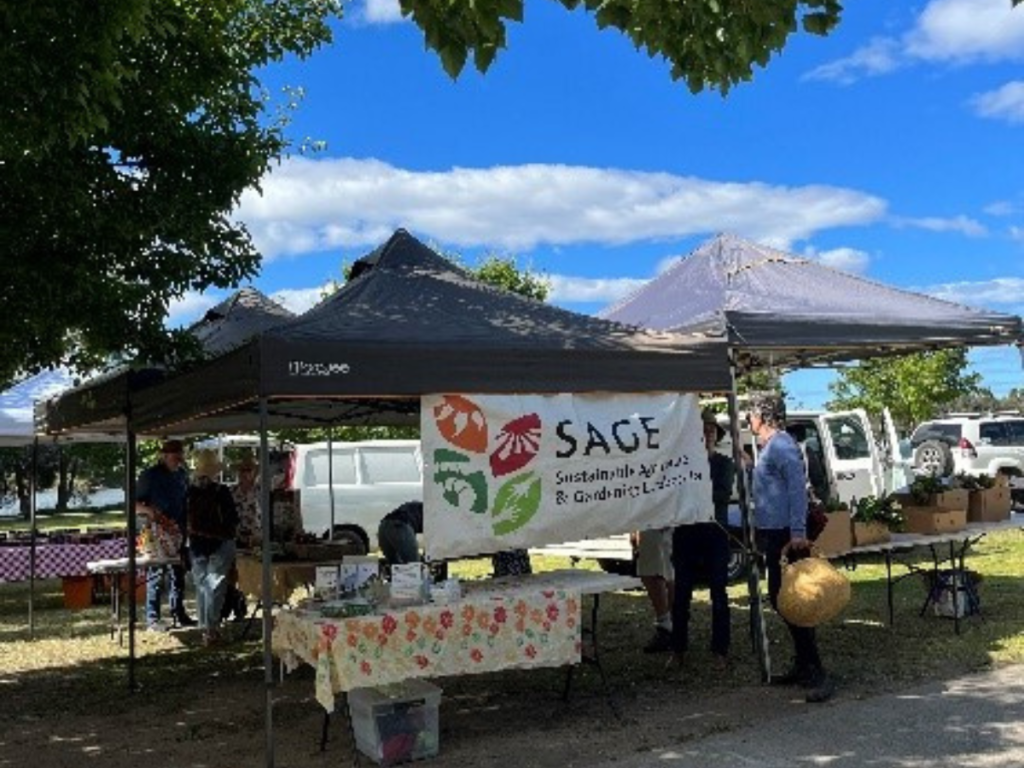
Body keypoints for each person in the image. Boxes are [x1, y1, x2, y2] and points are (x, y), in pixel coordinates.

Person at [748, 393, 835, 703]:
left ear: (762, 417)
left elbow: (797, 490)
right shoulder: (770, 448)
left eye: (751, 415)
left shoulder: (781, 445)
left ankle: (817, 672)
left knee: (797, 602)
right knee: (784, 600)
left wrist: (798, 531)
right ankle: (803, 665)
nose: (749, 420)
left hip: (787, 534)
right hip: (774, 533)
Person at [668, 409, 735, 670]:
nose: (707, 435)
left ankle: (720, 650)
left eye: (711, 431)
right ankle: (678, 649)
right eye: (702, 430)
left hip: (714, 532)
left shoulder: (723, 463)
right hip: (686, 532)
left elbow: (721, 494)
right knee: (681, 594)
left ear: (716, 436)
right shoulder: (682, 464)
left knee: (719, 593)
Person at [136, 439, 195, 631]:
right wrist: (152, 513)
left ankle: (179, 613)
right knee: (156, 574)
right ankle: (153, 618)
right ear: (163, 455)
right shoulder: (149, 476)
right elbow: (134, 504)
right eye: (173, 454)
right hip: (155, 532)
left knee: (178, 575)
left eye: (180, 454)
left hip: (179, 532)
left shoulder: (182, 475)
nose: (177, 458)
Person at [186, 449, 239, 646]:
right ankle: (211, 629)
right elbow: (233, 519)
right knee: (215, 586)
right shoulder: (221, 491)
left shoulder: (189, 491)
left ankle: (205, 627)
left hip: (197, 544)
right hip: (220, 542)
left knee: (202, 587)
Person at [636, 527, 675, 653]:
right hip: (649, 519)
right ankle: (666, 624)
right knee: (649, 570)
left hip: (670, 518)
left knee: (670, 571)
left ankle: (673, 625)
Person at [378, 500, 423, 565]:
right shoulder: (433, 513)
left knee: (395, 566)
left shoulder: (417, 507)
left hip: (383, 526)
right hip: (400, 526)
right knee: (414, 565)